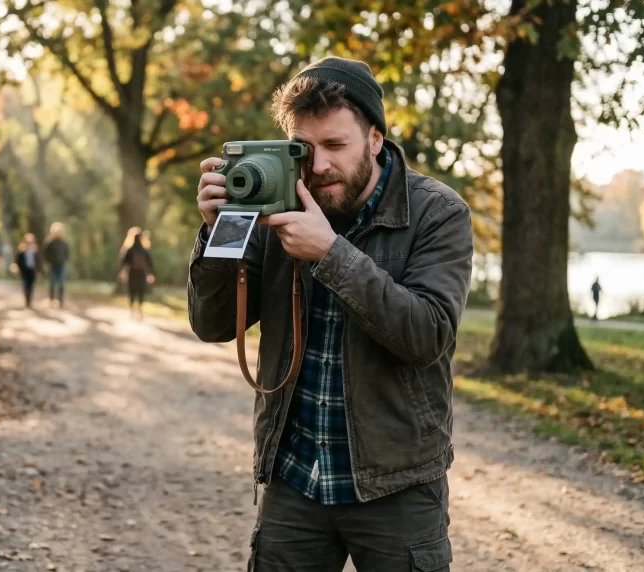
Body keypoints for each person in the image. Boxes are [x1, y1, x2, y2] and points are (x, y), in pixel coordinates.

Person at [189, 57, 472, 571]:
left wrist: (331, 255)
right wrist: (219, 231)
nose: (317, 166)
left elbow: (428, 334)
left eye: (335, 146)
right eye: (304, 148)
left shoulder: (437, 212)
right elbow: (213, 325)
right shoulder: (275, 201)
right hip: (294, 475)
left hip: (397, 483)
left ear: (375, 140)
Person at [120, 232, 154, 317]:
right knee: (141, 292)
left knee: (132, 292)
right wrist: (151, 274)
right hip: (142, 274)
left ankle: (132, 310)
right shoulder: (145, 250)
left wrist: (123, 273)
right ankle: (139, 309)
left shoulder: (130, 250)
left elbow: (125, 262)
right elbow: (150, 263)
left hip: (132, 274)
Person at [43, 222, 71, 308]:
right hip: (52, 265)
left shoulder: (64, 243)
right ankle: (51, 299)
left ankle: (60, 300)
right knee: (52, 283)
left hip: (62, 265)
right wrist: (48, 263)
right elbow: (45, 254)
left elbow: (67, 253)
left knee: (62, 284)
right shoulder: (49, 242)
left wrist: (65, 261)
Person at [15, 233, 40, 308]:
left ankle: (30, 300)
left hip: (32, 270)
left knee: (31, 285)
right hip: (24, 270)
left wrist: (39, 270)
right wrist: (17, 269)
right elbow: (18, 260)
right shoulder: (21, 249)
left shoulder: (35, 250)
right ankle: (27, 300)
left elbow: (38, 261)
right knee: (25, 285)